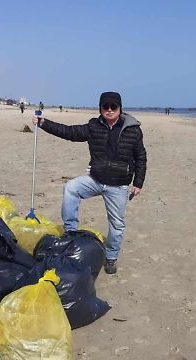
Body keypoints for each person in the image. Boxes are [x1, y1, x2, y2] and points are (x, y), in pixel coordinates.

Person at [32, 91, 147, 274]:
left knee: (117, 225)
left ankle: (111, 257)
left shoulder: (133, 130)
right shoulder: (94, 126)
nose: (109, 110)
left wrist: (138, 182)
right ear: (100, 108)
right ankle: (71, 233)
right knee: (71, 188)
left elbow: (140, 157)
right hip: (95, 179)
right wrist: (44, 123)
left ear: (120, 108)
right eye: (105, 107)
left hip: (118, 185)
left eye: (113, 107)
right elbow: (70, 132)